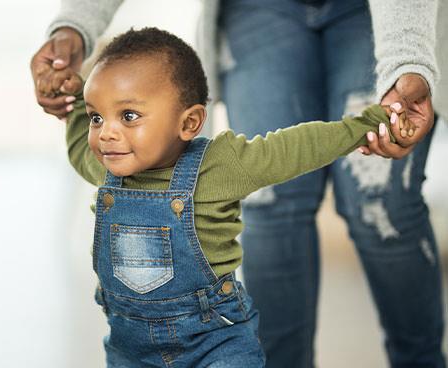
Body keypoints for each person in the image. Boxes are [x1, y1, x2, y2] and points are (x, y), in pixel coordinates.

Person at [30, 1, 445, 367]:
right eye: (99, 118)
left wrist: (366, 124)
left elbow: (293, 147)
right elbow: (77, 129)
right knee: (274, 210)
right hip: (129, 349)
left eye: (130, 117)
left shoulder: (220, 165)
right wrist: (72, 42)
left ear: (190, 122)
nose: (106, 134)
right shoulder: (103, 166)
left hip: (218, 345)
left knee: (380, 207)